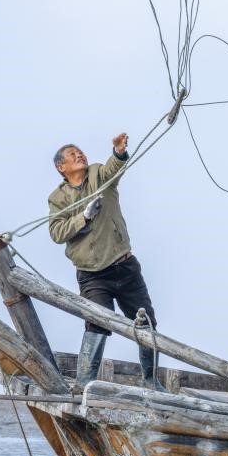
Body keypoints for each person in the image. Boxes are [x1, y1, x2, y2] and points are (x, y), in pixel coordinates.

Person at [47, 133, 165, 392]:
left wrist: (119, 152)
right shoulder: (58, 198)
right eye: (72, 154)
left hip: (124, 266)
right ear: (61, 167)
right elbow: (56, 232)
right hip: (92, 275)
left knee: (146, 323)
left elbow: (114, 168)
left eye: (80, 151)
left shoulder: (98, 174)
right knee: (97, 322)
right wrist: (84, 217)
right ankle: (83, 384)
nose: (79, 155)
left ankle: (151, 381)